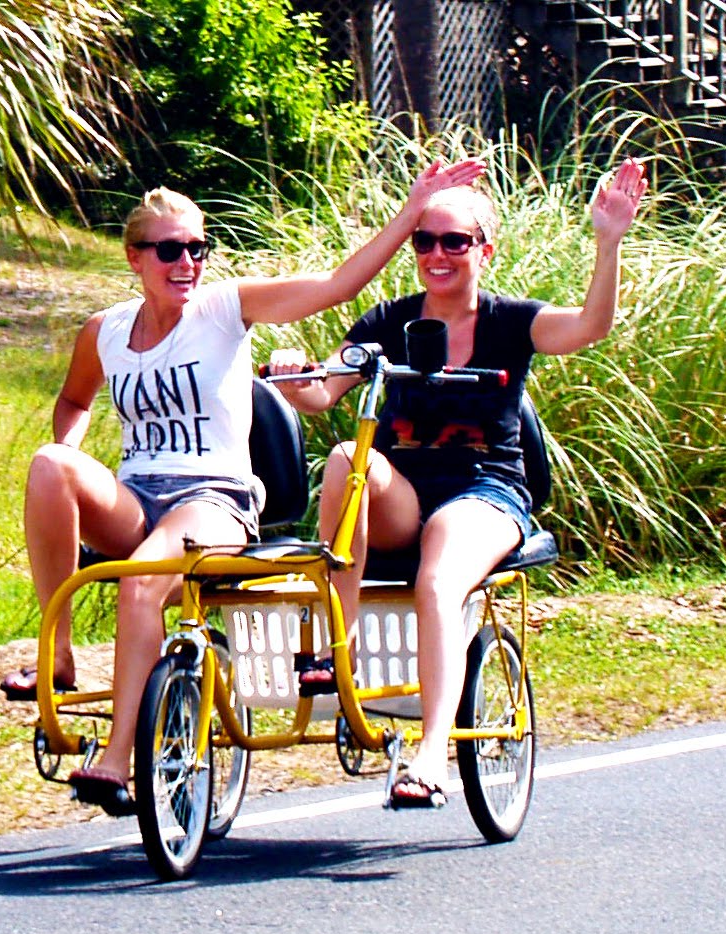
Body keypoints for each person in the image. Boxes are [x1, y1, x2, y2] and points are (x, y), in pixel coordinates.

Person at [0, 158, 489, 815]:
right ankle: (58, 658)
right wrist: (72, 444)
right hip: (137, 498)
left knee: (142, 585)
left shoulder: (225, 309)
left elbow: (338, 285)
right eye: (170, 251)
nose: (187, 264)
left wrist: (411, 214)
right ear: (134, 257)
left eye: (197, 249)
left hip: (213, 500)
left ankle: (117, 762)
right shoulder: (106, 330)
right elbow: (74, 400)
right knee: (48, 464)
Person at [270, 157, 647, 807]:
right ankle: (338, 648)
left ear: (483, 250)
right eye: (425, 241)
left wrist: (607, 241)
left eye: (454, 241)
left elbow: (590, 327)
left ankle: (430, 756)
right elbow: (320, 391)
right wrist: (292, 372)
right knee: (345, 458)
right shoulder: (388, 323)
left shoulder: (511, 322)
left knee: (439, 578)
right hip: (404, 493)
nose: (437, 255)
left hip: (485, 491)